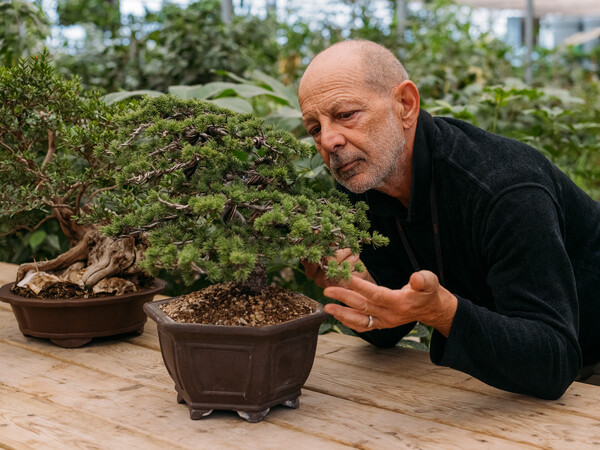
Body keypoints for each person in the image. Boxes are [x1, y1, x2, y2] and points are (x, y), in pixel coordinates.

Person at [298, 39, 600, 400]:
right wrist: (363, 287)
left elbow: (554, 361)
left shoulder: (504, 186)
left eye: (346, 114)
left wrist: (443, 313)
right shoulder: (367, 180)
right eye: (315, 128)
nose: (329, 140)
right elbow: (390, 328)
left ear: (405, 105)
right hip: (515, 372)